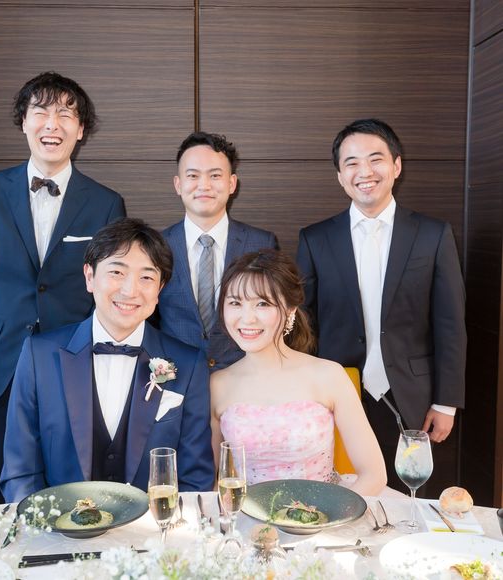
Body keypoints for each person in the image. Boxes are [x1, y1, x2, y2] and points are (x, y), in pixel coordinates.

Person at [0, 72, 126, 502]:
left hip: (74, 363)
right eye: (41, 112)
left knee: (73, 486)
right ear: (23, 122)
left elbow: (112, 291)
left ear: (80, 129)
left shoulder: (106, 203)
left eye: (65, 114)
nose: (52, 124)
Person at [296, 118, 466, 488]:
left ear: (396, 166)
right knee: (341, 495)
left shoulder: (433, 234)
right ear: (340, 176)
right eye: (352, 163)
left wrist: (446, 402)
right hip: (338, 393)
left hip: (414, 400)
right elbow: (304, 324)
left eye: (376, 159)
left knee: (410, 498)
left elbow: (450, 324)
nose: (365, 172)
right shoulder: (315, 239)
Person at [0, 218, 214, 502]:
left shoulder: (188, 364)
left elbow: (195, 479)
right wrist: (43, 523)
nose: (130, 290)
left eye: (147, 277)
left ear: (160, 289)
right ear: (89, 276)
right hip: (59, 524)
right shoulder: (39, 356)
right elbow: (20, 471)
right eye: (116, 272)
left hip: (154, 526)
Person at [210, 250, 387, 497]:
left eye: (262, 303)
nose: (247, 318)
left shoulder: (329, 376)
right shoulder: (217, 385)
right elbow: (213, 480)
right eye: (235, 303)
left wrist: (328, 515)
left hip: (325, 512)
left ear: (291, 309)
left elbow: (374, 475)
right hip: (246, 516)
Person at [157, 131, 278, 371]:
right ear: (178, 184)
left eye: (215, 175)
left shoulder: (261, 243)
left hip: (245, 375)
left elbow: (274, 314)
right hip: (176, 376)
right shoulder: (157, 245)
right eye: (193, 176)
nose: (204, 185)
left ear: (232, 184)